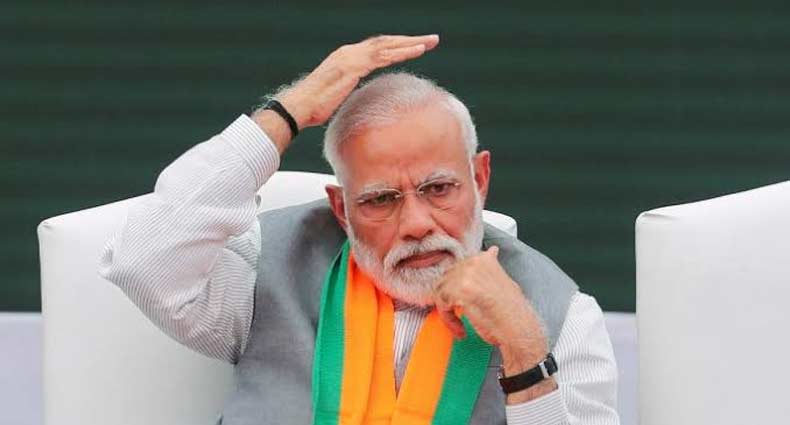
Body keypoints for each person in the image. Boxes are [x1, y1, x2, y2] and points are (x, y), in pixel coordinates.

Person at [100, 34, 619, 424]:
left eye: (439, 189)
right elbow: (144, 259)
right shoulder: (270, 268)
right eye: (380, 200)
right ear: (342, 210)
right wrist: (289, 111)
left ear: (479, 179)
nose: (416, 224)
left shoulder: (560, 313)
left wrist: (524, 351)